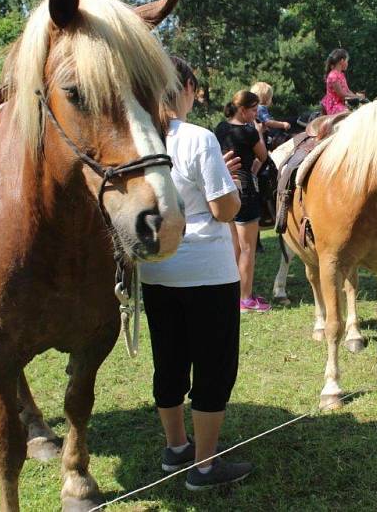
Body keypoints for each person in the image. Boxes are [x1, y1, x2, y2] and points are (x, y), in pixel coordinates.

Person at [140, 57, 253, 490]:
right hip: (207, 271)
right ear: (185, 86)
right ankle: (205, 467)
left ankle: (176, 449)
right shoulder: (197, 138)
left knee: (168, 362)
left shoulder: (138, 137)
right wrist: (225, 180)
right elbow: (225, 209)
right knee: (213, 367)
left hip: (157, 271)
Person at [215, 90, 272, 312]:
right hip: (246, 192)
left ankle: (233, 294)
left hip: (226, 190)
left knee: (234, 247)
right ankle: (246, 299)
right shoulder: (249, 132)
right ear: (243, 110)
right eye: (254, 109)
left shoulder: (220, 128)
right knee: (248, 248)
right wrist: (258, 133)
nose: (257, 113)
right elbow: (263, 156)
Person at [320, 48, 364, 116]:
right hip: (334, 105)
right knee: (350, 115)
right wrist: (357, 97)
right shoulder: (333, 76)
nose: (347, 63)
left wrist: (357, 97)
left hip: (342, 104)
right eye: (347, 61)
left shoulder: (341, 75)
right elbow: (342, 94)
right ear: (342, 61)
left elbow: (347, 91)